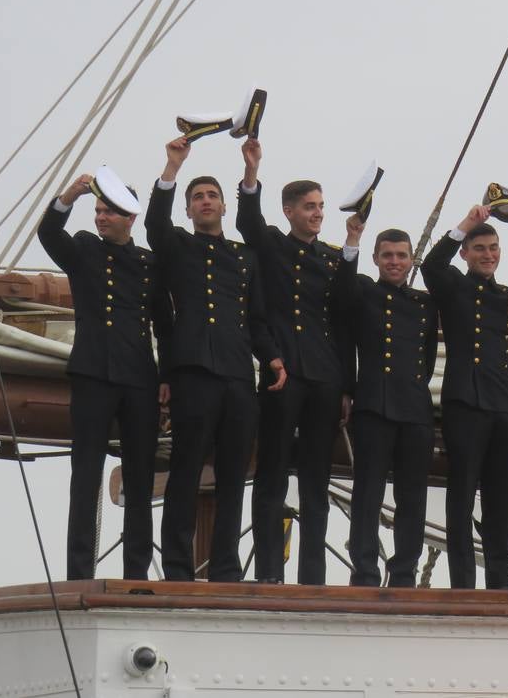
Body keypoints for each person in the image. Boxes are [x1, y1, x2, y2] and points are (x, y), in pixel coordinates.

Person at [147, 137, 285, 582]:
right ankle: (178, 567)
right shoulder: (178, 247)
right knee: (186, 471)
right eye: (197, 197)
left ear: (224, 207)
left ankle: (226, 567)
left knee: (233, 476)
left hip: (237, 377)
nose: (205, 202)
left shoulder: (245, 258)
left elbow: (258, 317)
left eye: (211, 196)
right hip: (193, 373)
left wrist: (273, 359)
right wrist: (172, 168)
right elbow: (153, 225)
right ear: (188, 210)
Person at [37, 171, 172, 580]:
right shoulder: (83, 250)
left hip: (138, 381)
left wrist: (166, 376)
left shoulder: (150, 264)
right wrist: (70, 194)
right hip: (93, 373)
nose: (99, 217)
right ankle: (79, 572)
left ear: (129, 217)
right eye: (96, 210)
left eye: (107, 211)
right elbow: (48, 233)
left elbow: (165, 325)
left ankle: (136, 573)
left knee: (139, 479)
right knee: (85, 477)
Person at [237, 138, 347, 585]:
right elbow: (246, 219)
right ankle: (268, 573)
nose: (318, 213)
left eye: (320, 206)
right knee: (273, 476)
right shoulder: (271, 246)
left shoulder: (335, 260)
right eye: (309, 206)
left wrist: (346, 387)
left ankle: (313, 577)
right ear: (288, 211)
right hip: (283, 372)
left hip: (323, 376)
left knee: (317, 482)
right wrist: (251, 171)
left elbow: (344, 322)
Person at [421, 205, 508, 589]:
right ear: (466, 254)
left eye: (493, 247)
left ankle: (501, 582)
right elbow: (430, 266)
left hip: (506, 406)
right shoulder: (455, 285)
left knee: (501, 501)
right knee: (462, 497)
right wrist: (467, 223)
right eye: (480, 248)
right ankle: (463, 583)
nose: (488, 254)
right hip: (466, 404)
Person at [337, 217, 439, 587]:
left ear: (412, 260)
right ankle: (364, 570)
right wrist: (353, 240)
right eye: (387, 256)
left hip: (414, 409)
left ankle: (404, 572)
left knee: (412, 497)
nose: (394, 262)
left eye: (401, 255)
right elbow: (341, 290)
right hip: (374, 405)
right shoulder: (364, 290)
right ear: (376, 260)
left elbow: (426, 358)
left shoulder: (425, 305)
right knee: (368, 493)